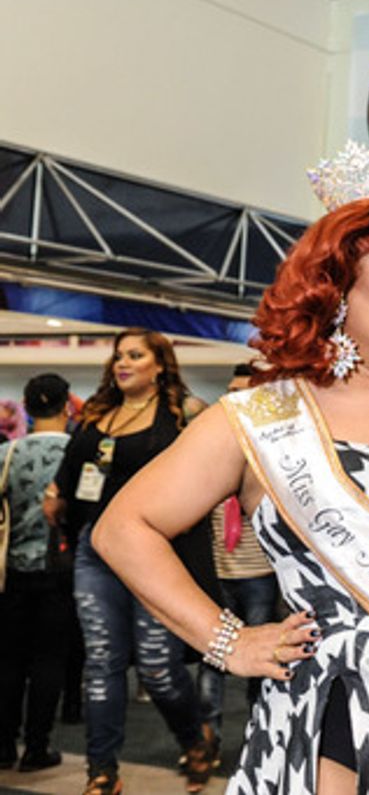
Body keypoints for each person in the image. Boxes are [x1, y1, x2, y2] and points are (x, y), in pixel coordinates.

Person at [91, 162, 369, 794]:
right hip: (334, 706)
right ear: (337, 285)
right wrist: (228, 642)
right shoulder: (265, 416)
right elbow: (123, 528)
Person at [41, 329, 215, 795]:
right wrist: (56, 493)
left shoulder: (185, 413)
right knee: (102, 663)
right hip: (96, 554)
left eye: (135, 356)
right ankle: (102, 773)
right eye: (118, 356)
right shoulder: (98, 415)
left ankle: (194, 737)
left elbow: (211, 474)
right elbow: (71, 473)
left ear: (160, 364)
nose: (123, 363)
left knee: (158, 667)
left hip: (158, 556)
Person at [194, 364, 280, 758]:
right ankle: (206, 739)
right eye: (229, 391)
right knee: (212, 657)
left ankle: (258, 740)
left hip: (260, 575)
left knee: (260, 662)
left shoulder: (278, 454)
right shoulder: (213, 454)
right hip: (219, 572)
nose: (233, 399)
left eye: (243, 392)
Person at [0, 373, 73, 772]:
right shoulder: (78, 454)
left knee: (9, 659)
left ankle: (3, 744)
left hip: (9, 572)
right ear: (67, 407)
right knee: (49, 660)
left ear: (25, 408)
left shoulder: (6, 454)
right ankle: (37, 747)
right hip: (60, 570)